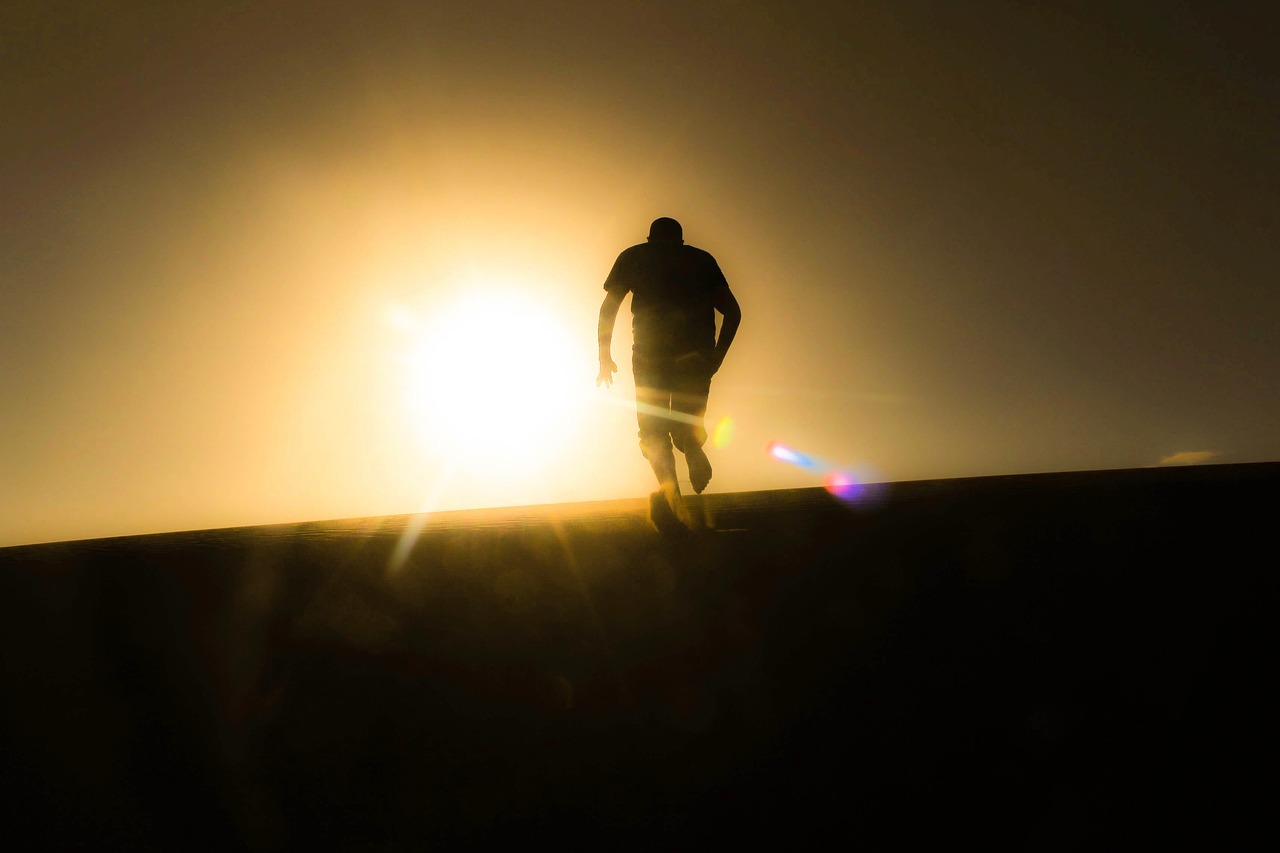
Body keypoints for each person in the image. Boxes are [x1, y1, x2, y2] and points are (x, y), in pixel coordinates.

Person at [596, 217, 741, 530]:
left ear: (650, 239)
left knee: (652, 431)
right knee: (685, 425)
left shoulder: (634, 256)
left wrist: (604, 355)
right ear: (682, 240)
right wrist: (716, 356)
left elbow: (610, 307)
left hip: (651, 354)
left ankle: (673, 498)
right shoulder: (701, 260)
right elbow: (733, 311)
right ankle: (691, 446)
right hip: (696, 354)